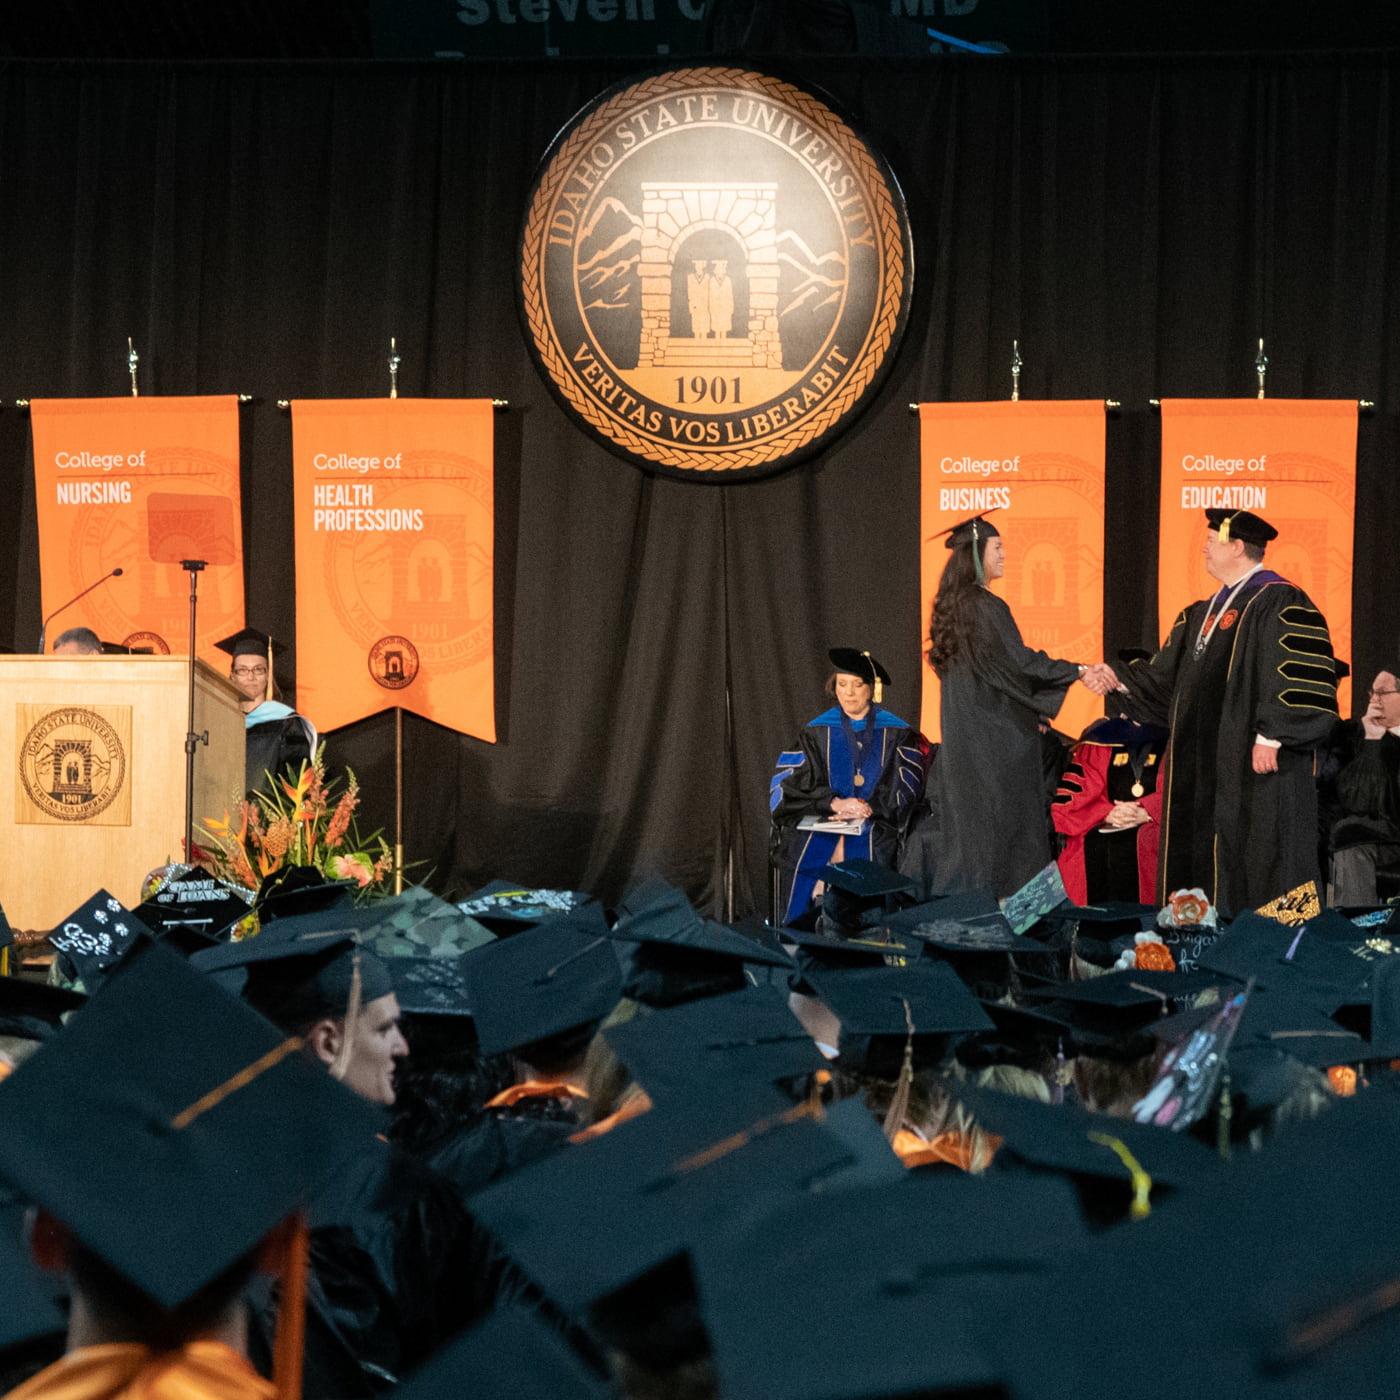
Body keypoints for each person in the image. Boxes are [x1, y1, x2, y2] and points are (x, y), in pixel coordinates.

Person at [1113, 509, 1339, 915]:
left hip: (1259, 770)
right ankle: (1197, 951)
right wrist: (1117, 679)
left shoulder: (1281, 600)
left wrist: (1274, 735)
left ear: (1237, 547)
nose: (1203, 546)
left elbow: (1299, 676)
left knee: (1271, 859)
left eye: (1211, 539)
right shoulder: (1199, 613)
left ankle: (1282, 957)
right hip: (1203, 777)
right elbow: (1166, 681)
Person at [915, 515, 1115, 901]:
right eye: (998, 548)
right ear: (976, 554)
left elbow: (994, 674)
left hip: (968, 750)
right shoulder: (985, 606)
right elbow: (1019, 664)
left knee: (973, 844)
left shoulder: (954, 608)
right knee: (1014, 844)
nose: (1005, 555)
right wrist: (1078, 669)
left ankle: (970, 931)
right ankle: (1024, 944)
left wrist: (1035, 711)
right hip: (996, 751)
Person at [769, 648, 928, 926]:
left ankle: (862, 932)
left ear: (872, 690)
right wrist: (833, 803)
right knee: (805, 842)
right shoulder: (816, 732)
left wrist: (867, 808)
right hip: (825, 816)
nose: (849, 693)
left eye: (857, 685)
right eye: (842, 685)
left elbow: (907, 787)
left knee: (864, 841)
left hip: (877, 821)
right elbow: (789, 784)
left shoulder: (898, 733)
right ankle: (801, 928)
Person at [1052, 716, 1168, 905]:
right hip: (1105, 827)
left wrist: (1148, 810)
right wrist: (1106, 812)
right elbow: (1070, 801)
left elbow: (1191, 788)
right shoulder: (1101, 737)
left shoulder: (1179, 732)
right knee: (1083, 849)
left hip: (1159, 829)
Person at [1319, 665, 1400, 906]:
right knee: (1350, 838)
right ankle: (1355, 936)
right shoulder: (1357, 737)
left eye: (1382, 693)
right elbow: (1357, 801)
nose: (1375, 700)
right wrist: (1372, 742)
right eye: (1372, 693)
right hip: (1378, 839)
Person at [215, 628, 317, 799]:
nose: (251, 677)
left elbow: (299, 783)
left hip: (270, 820)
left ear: (268, 675)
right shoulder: (220, 721)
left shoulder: (286, 723)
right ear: (232, 675)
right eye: (242, 670)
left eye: (258, 669)